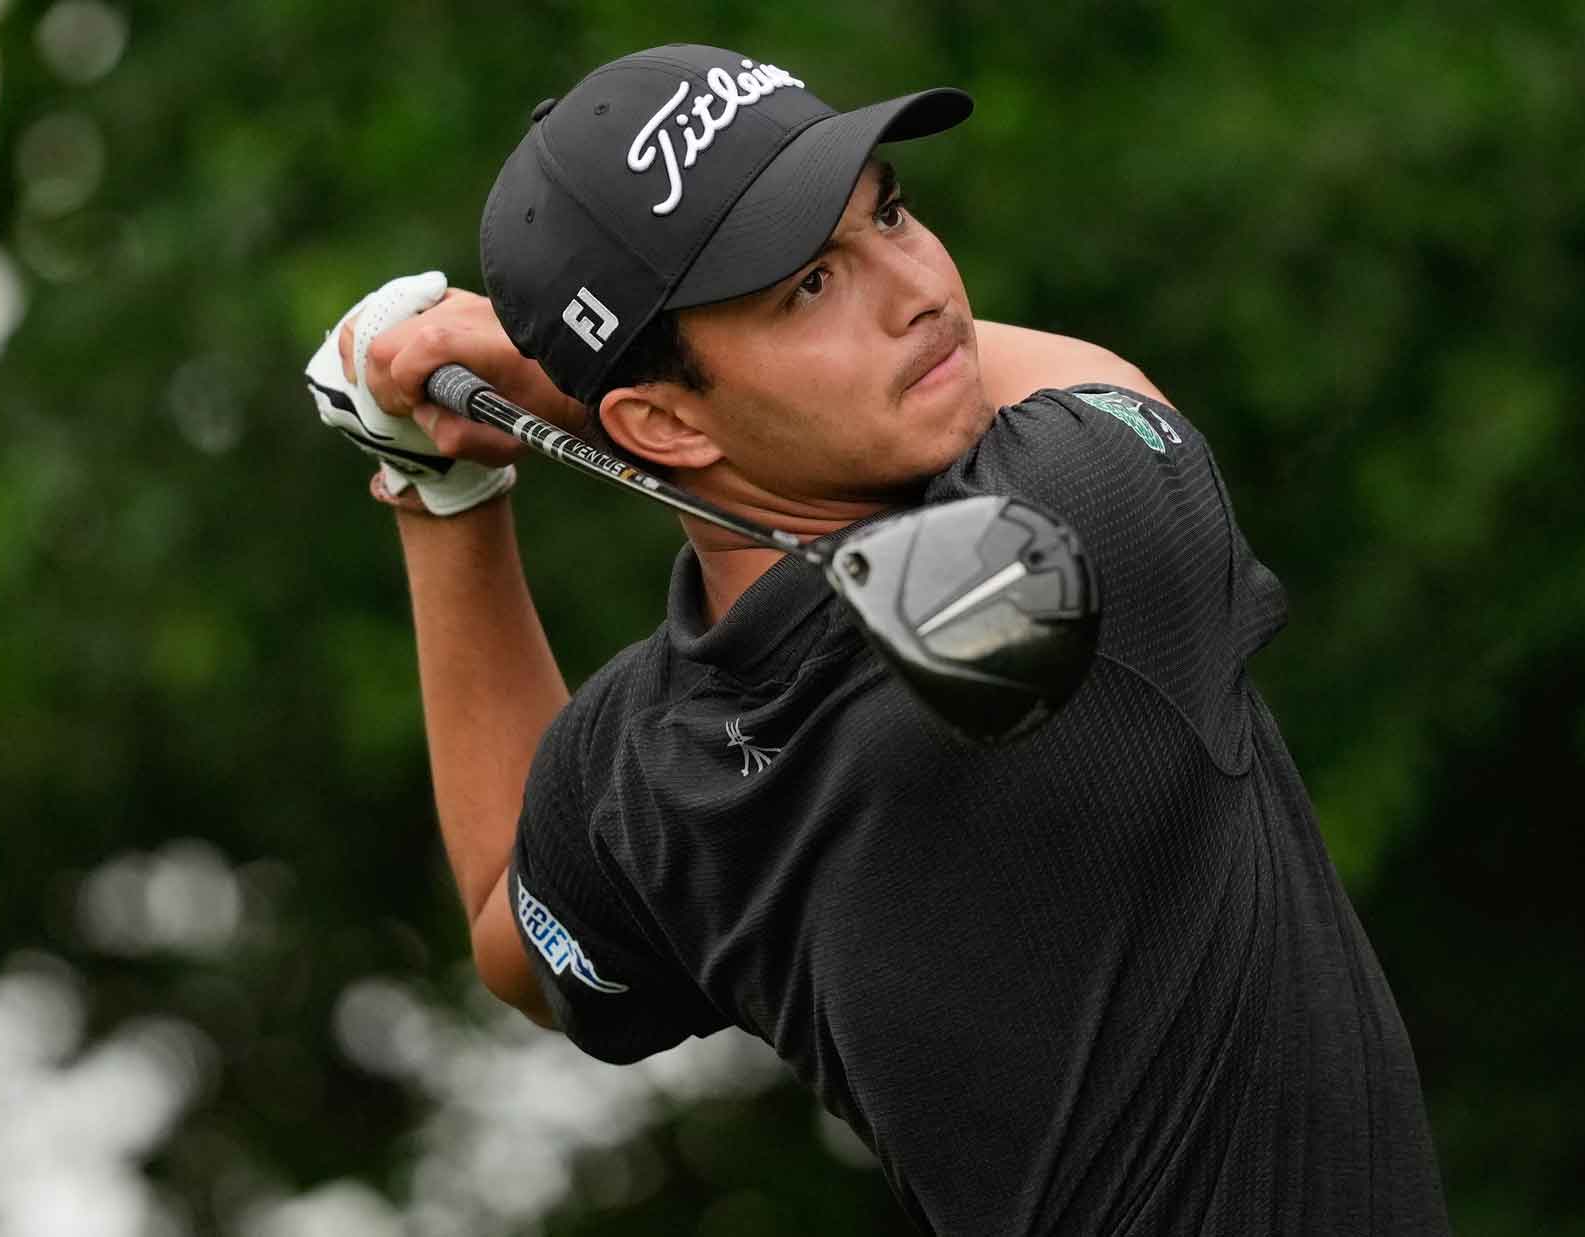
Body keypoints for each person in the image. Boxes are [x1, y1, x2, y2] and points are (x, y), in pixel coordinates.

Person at [303, 42, 1450, 1235]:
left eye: (890, 212)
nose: (921, 289)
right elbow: (1098, 386)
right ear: (662, 421)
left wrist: (441, 501)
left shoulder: (648, 769)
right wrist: (553, 389)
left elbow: (510, 928)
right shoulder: (1077, 541)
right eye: (807, 284)